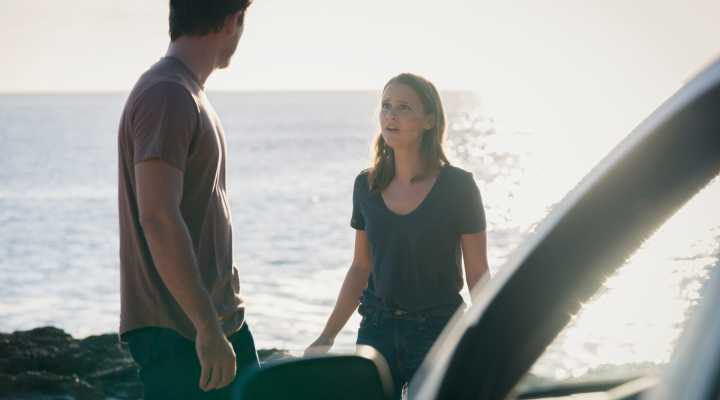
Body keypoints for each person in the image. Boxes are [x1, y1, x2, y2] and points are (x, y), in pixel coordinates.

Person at [306, 73, 490, 398]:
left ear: (429, 121)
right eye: (386, 106)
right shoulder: (366, 186)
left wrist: (493, 337)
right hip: (376, 330)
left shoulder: (459, 186)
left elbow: (477, 273)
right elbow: (360, 268)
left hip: (439, 331)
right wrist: (327, 336)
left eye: (404, 107)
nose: (391, 115)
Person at [117, 1, 257, 398]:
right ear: (232, 21)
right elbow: (159, 217)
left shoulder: (185, 91)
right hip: (182, 332)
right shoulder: (167, 93)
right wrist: (206, 329)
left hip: (212, 323)